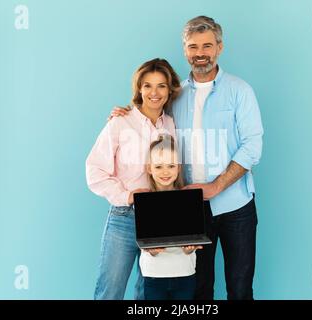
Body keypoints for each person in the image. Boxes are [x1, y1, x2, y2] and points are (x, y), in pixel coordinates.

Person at [109, 16, 263, 300]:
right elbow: (151, 118)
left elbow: (252, 146)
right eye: (193, 46)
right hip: (189, 210)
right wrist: (126, 112)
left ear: (219, 47)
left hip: (236, 206)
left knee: (240, 289)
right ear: (185, 50)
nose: (200, 53)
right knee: (198, 290)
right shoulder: (174, 94)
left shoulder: (240, 91)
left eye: (207, 45)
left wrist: (216, 186)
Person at [85, 58, 181, 300]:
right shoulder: (120, 122)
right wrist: (128, 195)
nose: (154, 92)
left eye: (161, 85)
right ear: (139, 88)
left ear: (169, 90)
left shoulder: (170, 124)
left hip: (160, 217)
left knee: (148, 293)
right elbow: (94, 171)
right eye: (147, 85)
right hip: (124, 217)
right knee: (110, 291)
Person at [140, 134, 203, 300]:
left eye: (171, 165)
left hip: (185, 273)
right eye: (159, 166)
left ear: (179, 167)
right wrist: (151, 251)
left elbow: (192, 238)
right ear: (149, 168)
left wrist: (189, 249)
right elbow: (143, 240)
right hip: (154, 275)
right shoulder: (143, 201)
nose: (165, 172)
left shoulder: (189, 200)